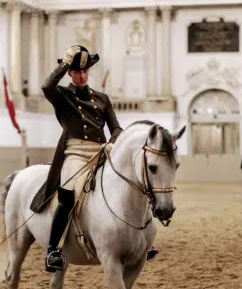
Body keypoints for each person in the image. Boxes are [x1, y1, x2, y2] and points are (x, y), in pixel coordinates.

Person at [30, 45, 158, 272]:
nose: (82, 76)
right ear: (70, 72)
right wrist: (65, 63)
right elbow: (47, 86)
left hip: (102, 152)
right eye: (77, 71)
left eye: (85, 71)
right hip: (76, 154)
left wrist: (112, 143)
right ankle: (53, 250)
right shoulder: (62, 96)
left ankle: (141, 241)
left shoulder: (102, 98)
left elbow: (116, 128)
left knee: (131, 186)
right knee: (69, 195)